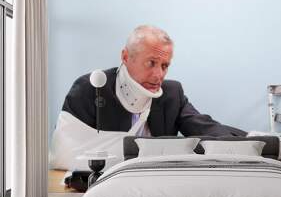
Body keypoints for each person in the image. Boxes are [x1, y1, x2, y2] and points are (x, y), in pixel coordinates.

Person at [62, 25, 246, 137]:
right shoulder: (92, 89)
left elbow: (206, 129)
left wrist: (257, 140)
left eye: (165, 66)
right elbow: (66, 150)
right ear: (126, 57)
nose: (159, 75)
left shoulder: (172, 93)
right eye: (151, 63)